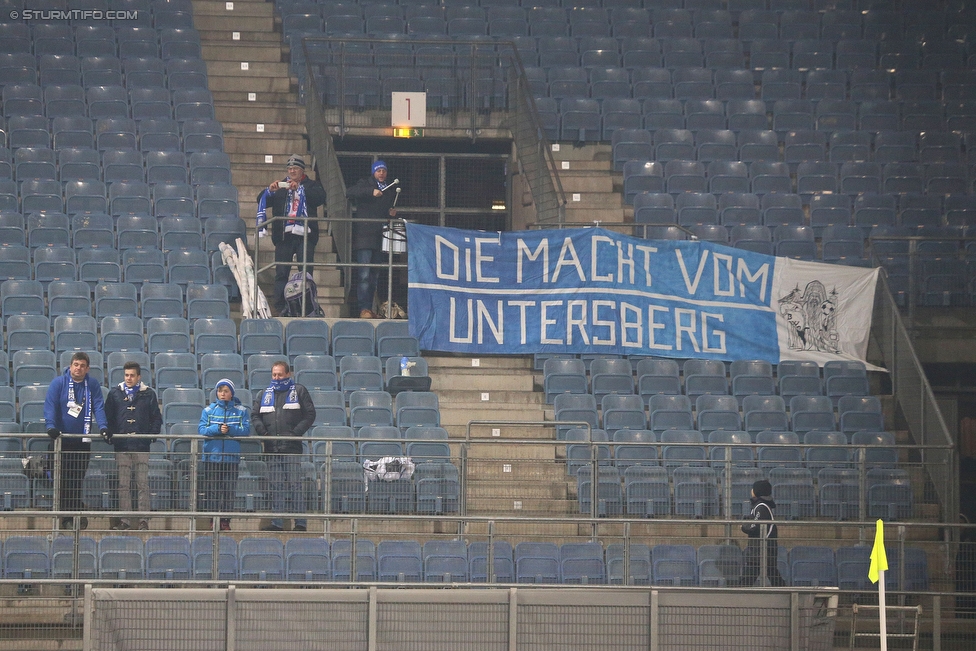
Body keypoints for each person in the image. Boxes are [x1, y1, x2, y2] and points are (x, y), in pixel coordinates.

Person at [43, 352, 109, 530]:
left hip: (83, 440)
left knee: (77, 478)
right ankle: (65, 515)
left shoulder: (92, 385)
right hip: (61, 440)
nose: (78, 368)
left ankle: (74, 513)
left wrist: (103, 427)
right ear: (70, 366)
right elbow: (50, 406)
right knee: (63, 479)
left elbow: (98, 406)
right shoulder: (59, 383)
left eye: (82, 365)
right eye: (76, 364)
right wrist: (51, 426)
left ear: (87, 369)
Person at [257, 154, 327, 316]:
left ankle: (307, 305)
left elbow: (319, 198)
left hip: (305, 236)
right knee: (281, 272)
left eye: (295, 168)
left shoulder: (312, 185)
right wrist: (269, 191)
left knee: (306, 272)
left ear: (302, 170)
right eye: (289, 169)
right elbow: (260, 200)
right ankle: (280, 306)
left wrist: (300, 189)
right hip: (284, 237)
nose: (292, 171)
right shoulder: (281, 186)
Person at [252, 360, 316, 532]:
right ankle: (277, 523)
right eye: (274, 374)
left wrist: (295, 434)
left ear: (288, 374)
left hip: (291, 448)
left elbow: (310, 415)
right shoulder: (264, 393)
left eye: (280, 374)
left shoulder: (300, 390)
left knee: (295, 484)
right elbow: (255, 416)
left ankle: (300, 523)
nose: (277, 377)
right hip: (271, 447)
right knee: (276, 485)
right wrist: (264, 434)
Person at [105, 361, 162, 531]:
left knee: (142, 484)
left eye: (132, 375)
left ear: (139, 377)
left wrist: (150, 436)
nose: (129, 378)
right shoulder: (114, 393)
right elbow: (108, 418)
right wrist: (113, 437)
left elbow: (156, 418)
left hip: (141, 446)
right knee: (123, 485)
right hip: (122, 446)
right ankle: (126, 520)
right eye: (126, 375)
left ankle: (144, 520)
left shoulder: (149, 394)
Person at [346, 159, 397, 318]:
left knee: (374, 276)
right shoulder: (365, 184)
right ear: (373, 172)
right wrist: (370, 191)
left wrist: (391, 214)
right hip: (364, 237)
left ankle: (370, 308)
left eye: (384, 171)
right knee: (364, 275)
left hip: (379, 238)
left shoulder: (389, 190)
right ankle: (363, 308)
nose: (381, 173)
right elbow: (350, 192)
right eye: (379, 170)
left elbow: (383, 213)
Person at [198, 379, 250, 531]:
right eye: (220, 391)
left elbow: (246, 430)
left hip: (230, 458)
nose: (222, 394)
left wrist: (230, 431)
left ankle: (225, 521)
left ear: (231, 393)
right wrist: (217, 429)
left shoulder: (241, 410)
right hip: (211, 457)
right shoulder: (208, 410)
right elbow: (202, 429)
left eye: (226, 391)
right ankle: (213, 520)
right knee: (212, 490)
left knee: (228, 491)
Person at [740, 479, 786, 587]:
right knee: (772, 574)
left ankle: (739, 597)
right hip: (763, 550)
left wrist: (743, 526)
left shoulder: (761, 507)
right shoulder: (761, 506)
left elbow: (754, 526)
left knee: (749, 577)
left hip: (761, 551)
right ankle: (784, 592)